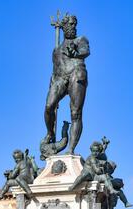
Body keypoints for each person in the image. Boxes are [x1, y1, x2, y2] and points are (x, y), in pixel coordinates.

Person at [44, 14, 90, 154]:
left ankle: (71, 149)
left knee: (75, 113)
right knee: (48, 106)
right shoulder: (56, 50)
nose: (73, 27)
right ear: (64, 27)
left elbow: (85, 51)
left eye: (74, 25)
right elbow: (54, 70)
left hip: (76, 75)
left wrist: (75, 53)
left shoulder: (80, 40)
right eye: (70, 25)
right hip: (59, 79)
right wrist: (51, 84)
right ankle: (50, 133)